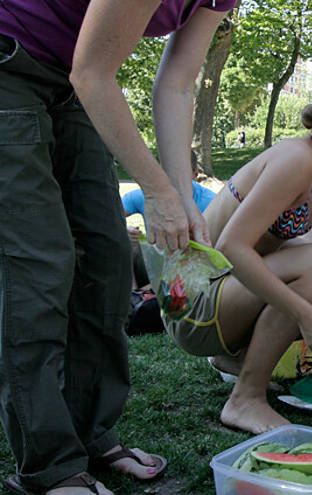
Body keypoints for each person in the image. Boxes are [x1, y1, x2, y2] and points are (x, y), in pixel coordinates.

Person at [0, 1, 234, 493]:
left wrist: (180, 192)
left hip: (73, 79)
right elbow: (93, 73)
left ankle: (89, 432)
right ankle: (50, 467)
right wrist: (155, 191)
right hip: (11, 66)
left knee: (107, 261)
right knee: (38, 270)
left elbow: (177, 82)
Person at [166, 73, 312, 435]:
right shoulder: (297, 159)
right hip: (192, 305)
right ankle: (245, 399)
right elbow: (230, 246)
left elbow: (266, 246)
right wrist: (306, 313)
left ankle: (236, 360)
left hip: (223, 294)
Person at [124, 150, 218, 287]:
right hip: (153, 263)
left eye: (181, 176)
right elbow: (109, 217)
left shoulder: (211, 202)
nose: (171, 181)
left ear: (195, 174)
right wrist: (124, 230)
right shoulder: (145, 196)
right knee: (123, 243)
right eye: (164, 174)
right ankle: (133, 297)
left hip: (193, 269)